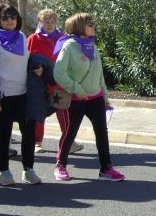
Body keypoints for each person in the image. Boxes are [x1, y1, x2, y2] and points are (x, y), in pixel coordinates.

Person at [53, 12, 124, 182]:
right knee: (70, 132)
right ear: (79, 27)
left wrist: (105, 95)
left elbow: (99, 74)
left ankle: (106, 169)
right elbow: (58, 72)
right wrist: (76, 89)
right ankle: (60, 166)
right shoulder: (69, 46)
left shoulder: (93, 46)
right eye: (89, 23)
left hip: (96, 98)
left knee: (102, 133)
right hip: (76, 99)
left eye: (93, 23)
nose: (93, 26)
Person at [0, 4, 40, 186]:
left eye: (13, 17)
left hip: (24, 94)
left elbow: (25, 62)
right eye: (5, 18)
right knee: (3, 134)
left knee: (29, 133)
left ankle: (28, 169)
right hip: (3, 96)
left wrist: (37, 69)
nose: (10, 21)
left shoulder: (22, 37)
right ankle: (4, 172)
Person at [27, 8, 83, 154]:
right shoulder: (33, 38)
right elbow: (27, 59)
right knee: (39, 113)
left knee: (64, 113)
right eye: (46, 21)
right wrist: (37, 69)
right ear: (40, 22)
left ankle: (69, 142)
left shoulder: (63, 38)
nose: (50, 24)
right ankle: (37, 142)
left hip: (60, 82)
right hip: (40, 83)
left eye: (52, 21)